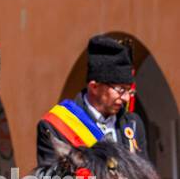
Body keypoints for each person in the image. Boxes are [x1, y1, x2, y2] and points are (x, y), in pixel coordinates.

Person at [36, 34, 148, 167]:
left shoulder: (133, 124)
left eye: (129, 91)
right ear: (94, 87)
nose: (126, 98)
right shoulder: (55, 127)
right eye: (120, 90)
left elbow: (144, 177)